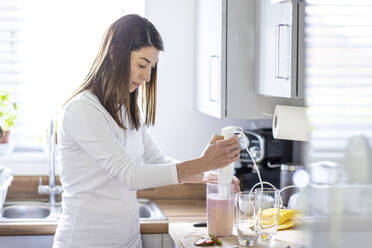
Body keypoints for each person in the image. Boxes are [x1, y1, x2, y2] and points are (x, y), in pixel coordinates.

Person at [53, 14, 241, 248]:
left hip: (128, 241)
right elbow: (129, 176)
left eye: (151, 67)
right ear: (114, 53)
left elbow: (156, 161)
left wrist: (208, 175)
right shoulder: (82, 109)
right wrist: (202, 163)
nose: (147, 77)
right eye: (142, 65)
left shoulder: (127, 108)